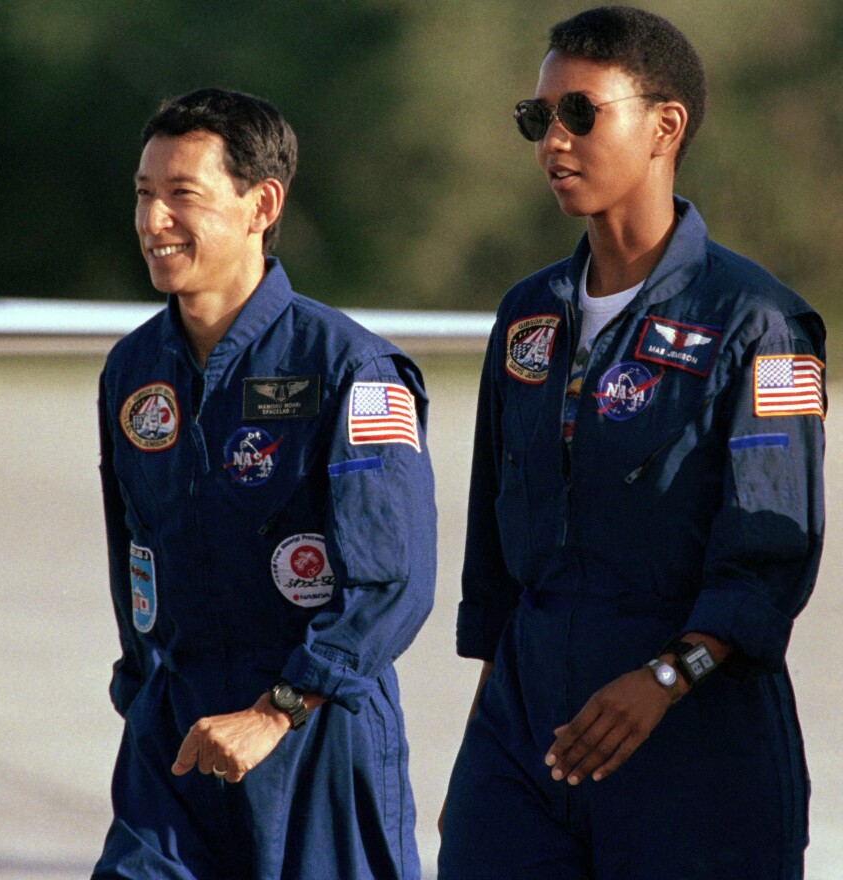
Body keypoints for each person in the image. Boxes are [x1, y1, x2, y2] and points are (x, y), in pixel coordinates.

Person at [438, 7, 825, 879]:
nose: (552, 142)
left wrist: (667, 677)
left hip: (695, 747)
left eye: (580, 113)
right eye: (538, 119)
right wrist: (490, 721)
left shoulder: (759, 323)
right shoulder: (526, 316)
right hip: (527, 740)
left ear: (665, 126)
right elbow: (493, 543)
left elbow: (770, 552)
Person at [92, 88, 436, 880]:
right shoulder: (132, 372)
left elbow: (394, 584)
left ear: (261, 204)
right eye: (144, 195)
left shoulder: (352, 368)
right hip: (174, 743)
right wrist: (143, 695)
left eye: (182, 195)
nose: (153, 221)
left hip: (314, 735)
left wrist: (276, 710)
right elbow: (132, 555)